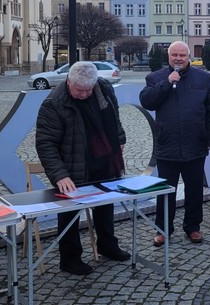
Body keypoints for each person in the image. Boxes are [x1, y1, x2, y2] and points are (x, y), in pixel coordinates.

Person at [36, 61, 129, 275]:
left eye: (88, 90)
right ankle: (70, 259)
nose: (85, 94)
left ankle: (108, 245)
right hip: (72, 165)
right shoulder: (54, 103)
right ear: (69, 82)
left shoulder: (103, 88)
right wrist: (60, 175)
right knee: (69, 212)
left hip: (104, 159)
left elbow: (114, 118)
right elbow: (45, 143)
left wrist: (119, 140)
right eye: (80, 90)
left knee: (105, 205)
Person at [139, 41, 210, 247]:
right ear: (168, 56)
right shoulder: (155, 78)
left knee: (194, 190)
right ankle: (163, 229)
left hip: (196, 144)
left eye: (182, 55)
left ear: (188, 57)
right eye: (174, 55)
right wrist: (167, 83)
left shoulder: (203, 78)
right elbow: (147, 101)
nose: (178, 59)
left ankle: (193, 227)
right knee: (166, 190)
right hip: (167, 144)